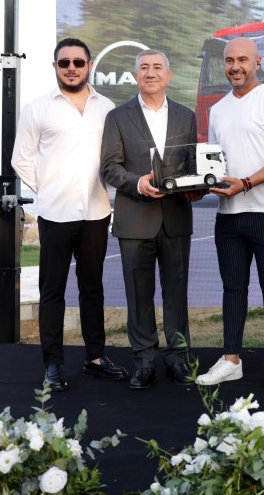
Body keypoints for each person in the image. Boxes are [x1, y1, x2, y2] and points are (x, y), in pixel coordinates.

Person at [11, 37, 127, 391]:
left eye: (78, 62)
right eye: (65, 63)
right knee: (53, 291)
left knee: (92, 288)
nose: (72, 68)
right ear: (55, 67)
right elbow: (21, 159)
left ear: (89, 66)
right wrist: (47, 189)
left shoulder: (107, 107)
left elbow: (114, 158)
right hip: (55, 214)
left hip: (96, 211)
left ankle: (95, 359)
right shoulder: (37, 108)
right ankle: (53, 364)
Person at [195, 37, 264, 392]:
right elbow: (215, 162)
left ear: (258, 62)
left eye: (242, 59)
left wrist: (247, 183)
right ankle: (231, 361)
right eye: (229, 60)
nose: (235, 66)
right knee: (233, 288)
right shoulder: (218, 109)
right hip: (228, 213)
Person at [100, 49, 199, 390]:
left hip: (176, 218)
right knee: (138, 295)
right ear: (135, 76)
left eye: (158, 67)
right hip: (134, 219)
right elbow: (109, 167)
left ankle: (178, 358)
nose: (151, 72)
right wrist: (137, 183)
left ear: (168, 76)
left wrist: (197, 186)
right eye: (144, 67)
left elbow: (192, 165)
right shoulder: (117, 117)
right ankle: (144, 361)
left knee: (177, 294)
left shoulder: (187, 116)